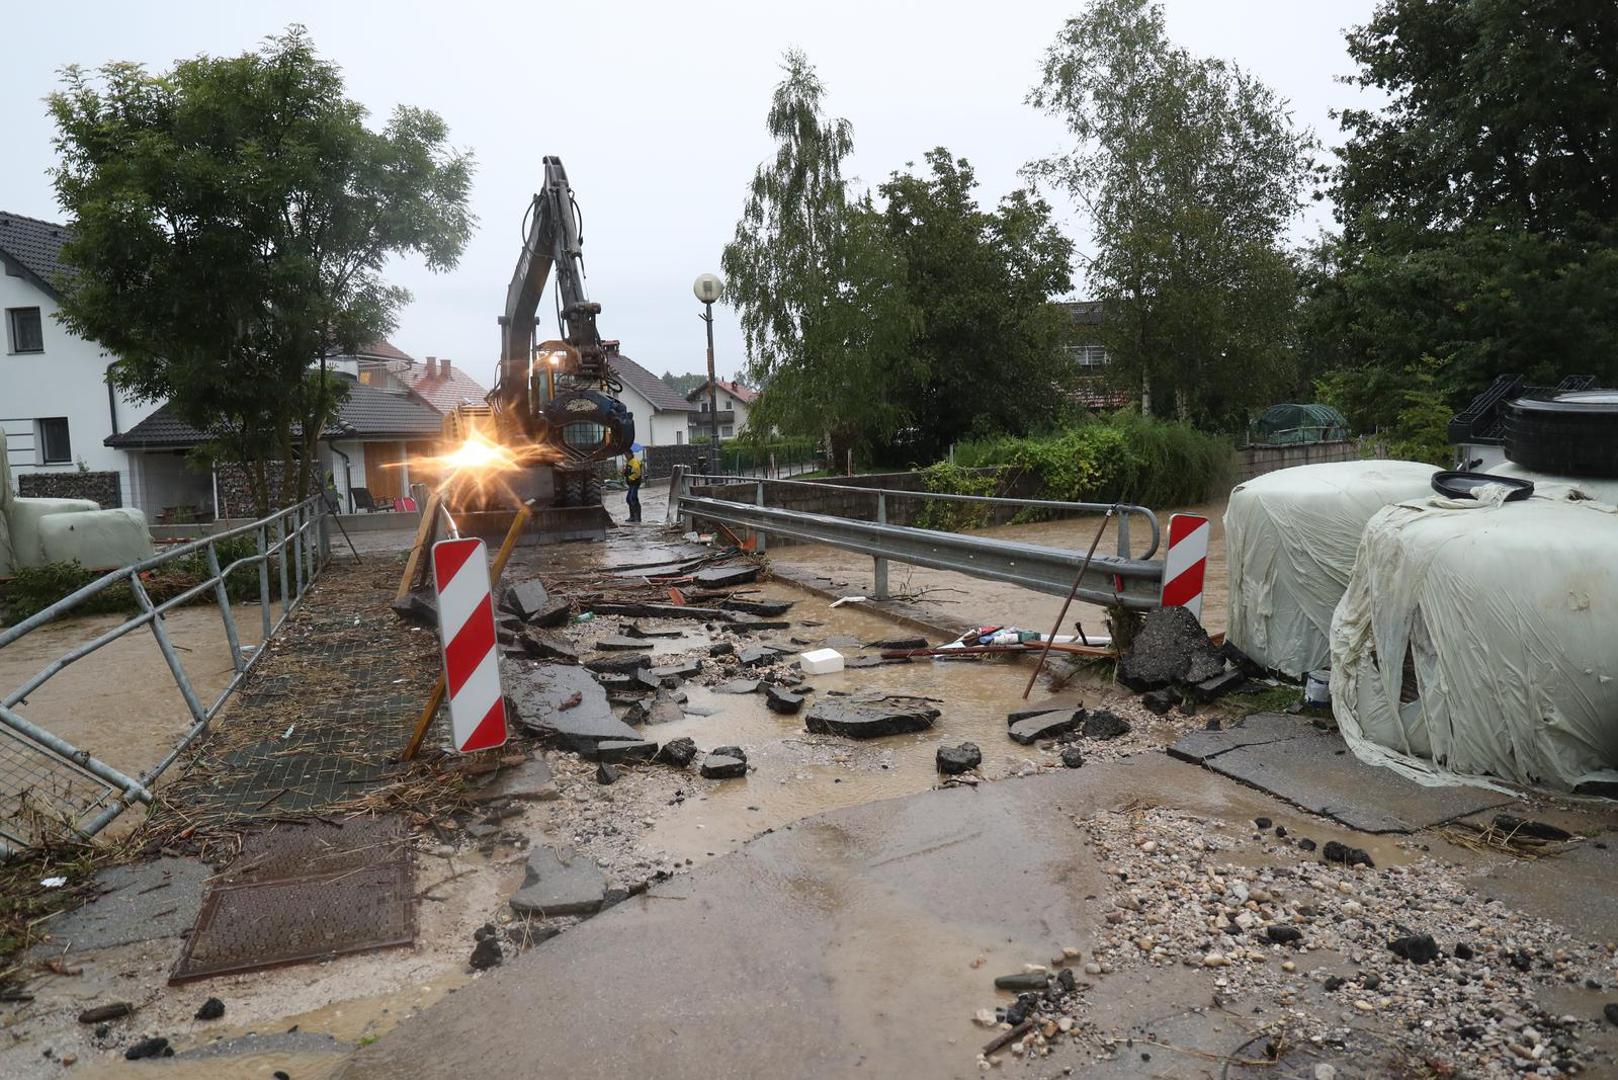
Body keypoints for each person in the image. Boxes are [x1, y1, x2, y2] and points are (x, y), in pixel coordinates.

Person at [622, 446, 644, 523]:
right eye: (625, 455)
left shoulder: (634, 462)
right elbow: (628, 472)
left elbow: (637, 472)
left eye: (626, 455)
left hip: (635, 483)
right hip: (631, 484)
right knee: (629, 499)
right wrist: (624, 473)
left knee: (633, 498)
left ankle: (637, 517)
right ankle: (632, 516)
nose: (626, 456)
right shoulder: (629, 462)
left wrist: (630, 478)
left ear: (630, 454)